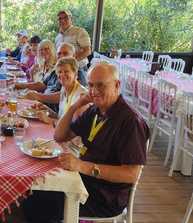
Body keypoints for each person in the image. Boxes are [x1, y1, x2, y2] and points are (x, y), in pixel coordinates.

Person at [23, 61, 149, 223]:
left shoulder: (130, 121)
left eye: (101, 85)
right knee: (33, 192)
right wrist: (75, 105)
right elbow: (60, 136)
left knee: (36, 206)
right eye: (90, 85)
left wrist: (82, 166)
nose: (94, 91)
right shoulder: (94, 110)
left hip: (107, 196)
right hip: (84, 179)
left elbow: (131, 174)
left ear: (116, 85)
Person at [35, 57, 88, 156]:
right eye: (59, 72)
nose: (62, 75)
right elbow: (63, 118)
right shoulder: (64, 90)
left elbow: (74, 129)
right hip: (62, 139)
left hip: (74, 148)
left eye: (66, 71)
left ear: (75, 74)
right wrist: (47, 110)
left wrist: (51, 121)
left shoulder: (81, 97)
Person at [16, 42, 87, 112]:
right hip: (45, 108)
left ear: (73, 55)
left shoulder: (77, 73)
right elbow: (41, 85)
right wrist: (20, 86)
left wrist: (39, 96)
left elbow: (64, 96)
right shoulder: (57, 70)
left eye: (65, 53)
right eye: (59, 53)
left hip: (55, 112)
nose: (61, 56)